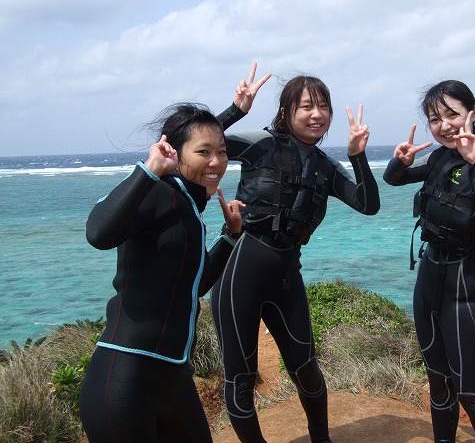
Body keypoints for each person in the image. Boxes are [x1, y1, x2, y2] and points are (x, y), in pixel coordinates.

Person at [210, 73, 381, 443]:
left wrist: (357, 156)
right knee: (241, 377)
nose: (316, 114)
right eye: (306, 106)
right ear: (286, 111)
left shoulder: (326, 167)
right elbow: (196, 141)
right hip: (239, 268)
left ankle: (321, 438)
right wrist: (236, 110)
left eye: (323, 107)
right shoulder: (260, 144)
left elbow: (368, 204)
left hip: (287, 273)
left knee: (306, 368)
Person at [79, 100, 252, 443]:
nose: (216, 161)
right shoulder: (157, 192)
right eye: (204, 152)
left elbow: (194, 286)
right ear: (174, 152)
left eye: (222, 152)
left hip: (174, 378)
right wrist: (149, 169)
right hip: (124, 380)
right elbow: (98, 233)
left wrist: (230, 236)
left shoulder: (187, 210)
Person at [383, 80, 475, 443]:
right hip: (428, 280)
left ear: (472, 113)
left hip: (464, 286)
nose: (444, 125)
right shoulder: (440, 158)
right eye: (435, 119)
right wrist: (400, 160)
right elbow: (393, 178)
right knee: (439, 384)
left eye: (452, 115)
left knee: (473, 393)